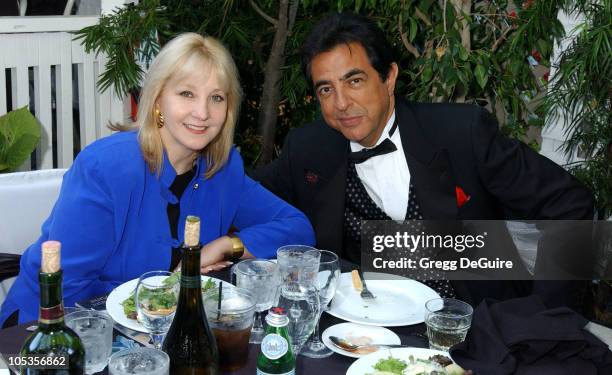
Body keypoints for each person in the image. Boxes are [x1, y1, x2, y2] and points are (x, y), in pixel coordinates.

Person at [252, 13, 594, 306]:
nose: (340, 103)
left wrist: (545, 314)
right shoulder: (311, 149)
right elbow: (247, 196)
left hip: (476, 324)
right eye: (326, 89)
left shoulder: (461, 134)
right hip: (364, 325)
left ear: (389, 78)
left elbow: (569, 203)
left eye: (354, 81)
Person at [0, 33, 315, 326]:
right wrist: (140, 332)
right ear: (158, 99)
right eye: (186, 93)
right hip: (48, 329)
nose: (202, 112)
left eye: (216, 97)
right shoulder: (106, 168)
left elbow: (297, 229)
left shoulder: (222, 168)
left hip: (162, 330)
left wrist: (223, 246)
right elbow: (67, 287)